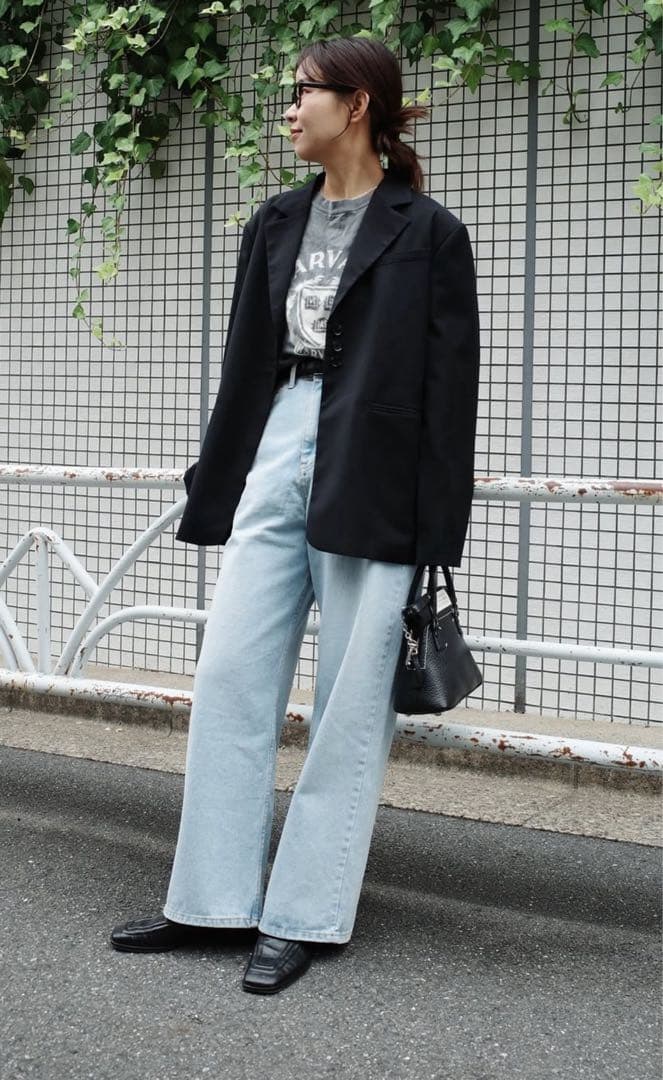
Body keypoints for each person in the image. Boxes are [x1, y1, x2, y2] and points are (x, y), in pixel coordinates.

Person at [110, 35, 480, 994]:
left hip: (375, 464)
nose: (288, 108)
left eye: (303, 92)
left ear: (356, 105)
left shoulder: (428, 231)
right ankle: (209, 900)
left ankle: (304, 916)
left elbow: (451, 393)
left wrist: (435, 532)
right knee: (231, 673)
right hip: (280, 442)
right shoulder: (275, 220)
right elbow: (246, 358)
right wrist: (219, 475)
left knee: (350, 706)